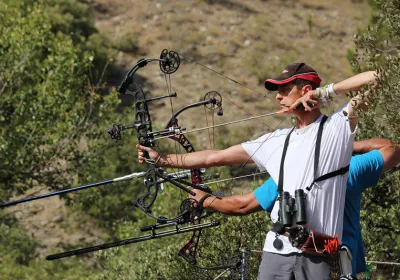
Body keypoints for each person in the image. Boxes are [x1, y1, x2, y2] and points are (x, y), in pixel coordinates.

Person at [137, 63, 377, 279]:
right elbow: (214, 157)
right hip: (276, 251)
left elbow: (379, 77)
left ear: (305, 91)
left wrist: (323, 93)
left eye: (284, 90)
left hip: (319, 256)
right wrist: (163, 159)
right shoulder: (276, 140)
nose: (278, 97)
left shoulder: (338, 128)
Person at [189, 138, 400, 278]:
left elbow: (241, 205)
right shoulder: (350, 169)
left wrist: (204, 199)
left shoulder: (289, 175)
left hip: (305, 260)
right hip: (335, 263)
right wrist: (345, 146)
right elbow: (392, 148)